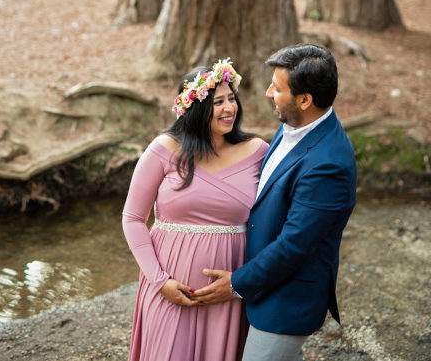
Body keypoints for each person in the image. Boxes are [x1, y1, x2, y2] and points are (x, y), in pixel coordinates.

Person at [192, 44, 357, 361]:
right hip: (264, 283)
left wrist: (236, 284)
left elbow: (294, 245)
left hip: (287, 299)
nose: (269, 93)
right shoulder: (294, 124)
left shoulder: (329, 164)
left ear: (305, 100)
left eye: (277, 88)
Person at [122, 59, 268, 361]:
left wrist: (247, 281)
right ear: (197, 107)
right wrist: (160, 281)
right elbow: (133, 218)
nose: (230, 108)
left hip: (227, 294)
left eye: (232, 98)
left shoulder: (257, 152)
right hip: (169, 289)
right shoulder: (165, 148)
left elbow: (273, 219)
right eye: (218, 102)